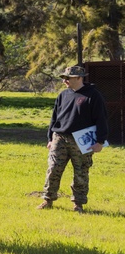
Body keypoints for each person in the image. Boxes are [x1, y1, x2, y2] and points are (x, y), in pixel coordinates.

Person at [37, 65, 109, 213]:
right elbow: (54, 117)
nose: (65, 81)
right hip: (60, 137)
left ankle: (78, 204)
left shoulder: (93, 95)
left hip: (81, 140)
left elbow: (101, 119)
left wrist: (100, 142)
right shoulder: (63, 95)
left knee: (81, 172)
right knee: (53, 169)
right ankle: (48, 199)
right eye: (64, 78)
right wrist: (50, 138)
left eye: (67, 78)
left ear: (79, 77)